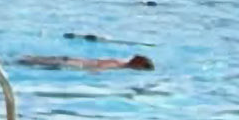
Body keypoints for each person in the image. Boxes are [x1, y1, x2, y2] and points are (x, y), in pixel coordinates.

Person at [16, 54, 155, 71]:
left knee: (30, 60)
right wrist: (96, 71)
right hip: (74, 64)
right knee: (27, 63)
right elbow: (102, 65)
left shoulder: (120, 60)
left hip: (74, 59)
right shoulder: (121, 65)